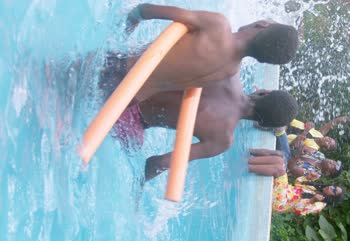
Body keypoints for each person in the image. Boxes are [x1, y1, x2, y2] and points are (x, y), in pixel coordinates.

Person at [116, 73, 299, 181]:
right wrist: (138, 187)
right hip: (129, 121)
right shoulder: (222, 139)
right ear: (263, 124)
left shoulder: (228, 75)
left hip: (130, 79)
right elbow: (158, 163)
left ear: (264, 92)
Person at [102, 3, 299, 102]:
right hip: (130, 98)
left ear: (262, 24)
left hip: (118, 69)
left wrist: (125, 27)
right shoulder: (228, 72)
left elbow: (146, 10)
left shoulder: (218, 25)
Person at [248, 149, 344, 215]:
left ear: (332, 197)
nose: (332, 187)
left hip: (281, 202)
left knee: (280, 170)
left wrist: (312, 200)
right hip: (285, 190)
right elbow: (297, 184)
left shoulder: (319, 205)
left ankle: (247, 167)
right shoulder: (316, 189)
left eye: (334, 190)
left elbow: (298, 209)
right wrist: (307, 178)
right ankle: (248, 162)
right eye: (334, 186)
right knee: (279, 161)